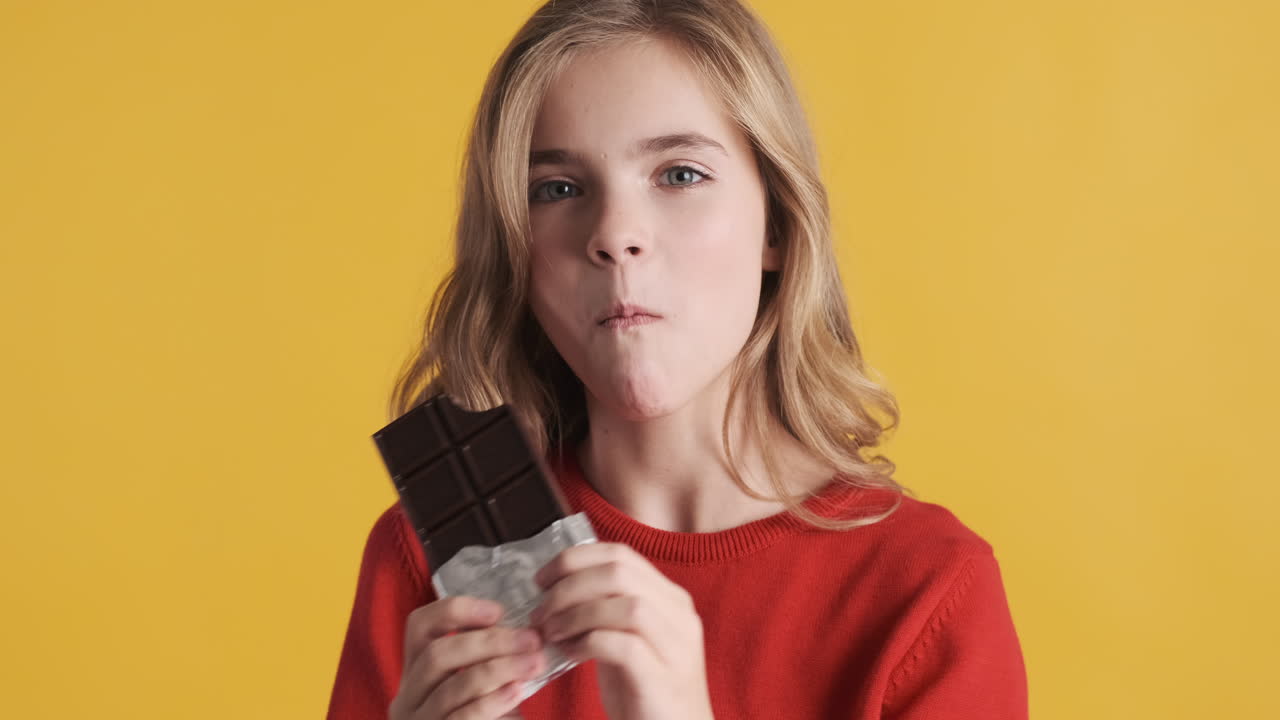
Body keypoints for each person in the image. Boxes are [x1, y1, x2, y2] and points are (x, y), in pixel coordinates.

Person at [327, 0, 1028, 718]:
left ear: (777, 225)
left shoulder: (928, 590)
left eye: (680, 174)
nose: (615, 234)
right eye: (558, 189)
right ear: (515, 249)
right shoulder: (435, 567)